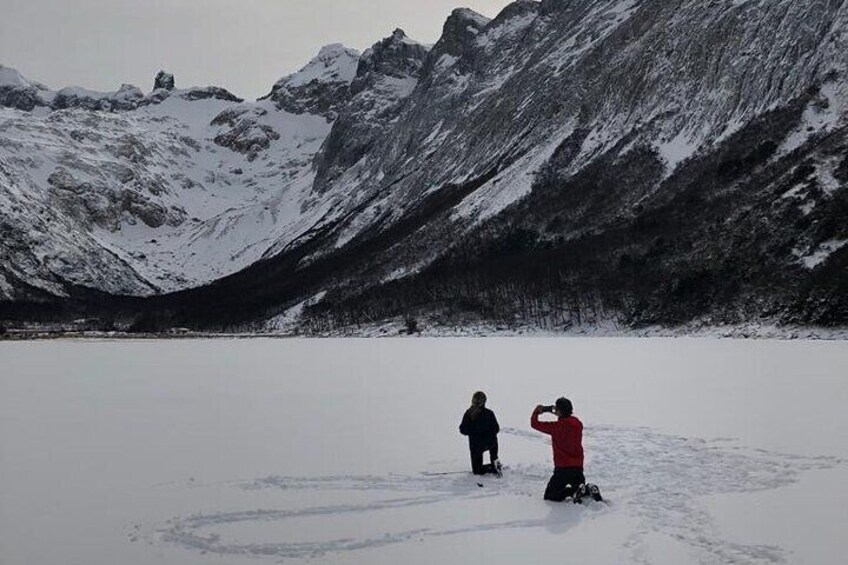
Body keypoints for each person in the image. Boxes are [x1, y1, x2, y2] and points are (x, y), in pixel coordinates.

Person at [531, 397, 601, 502]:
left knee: (550, 495)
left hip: (562, 468)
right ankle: (587, 489)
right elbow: (568, 419)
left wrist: (537, 411)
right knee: (579, 489)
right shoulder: (578, 424)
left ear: (559, 411)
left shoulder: (556, 427)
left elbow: (534, 424)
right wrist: (560, 413)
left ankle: (572, 492)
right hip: (578, 467)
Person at [459, 391, 502, 476]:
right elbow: (463, 429)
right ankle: (495, 464)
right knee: (478, 471)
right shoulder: (471, 414)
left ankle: (494, 464)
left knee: (478, 471)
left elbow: (463, 429)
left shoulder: (486, 413)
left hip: (482, 444)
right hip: (483, 444)